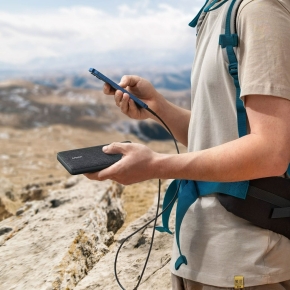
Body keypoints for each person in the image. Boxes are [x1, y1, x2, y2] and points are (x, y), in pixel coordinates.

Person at [85, 0, 290, 289]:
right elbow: (222, 133)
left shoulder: (259, 10)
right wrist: (160, 108)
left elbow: (271, 152)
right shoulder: (216, 10)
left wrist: (157, 165)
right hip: (195, 252)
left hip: (246, 260)